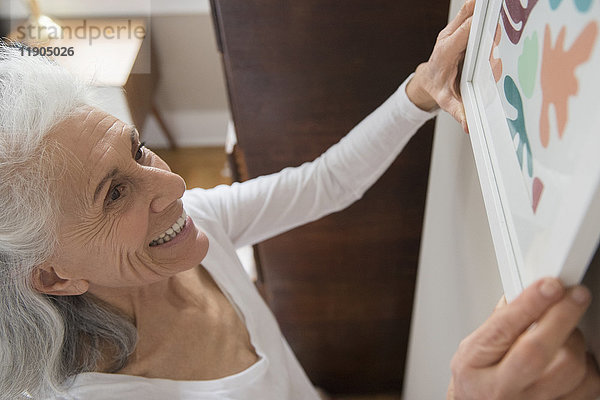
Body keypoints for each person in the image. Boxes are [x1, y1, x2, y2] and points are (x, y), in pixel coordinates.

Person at [0, 1, 597, 398]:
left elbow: (325, 181)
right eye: (115, 194)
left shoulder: (195, 226)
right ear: (53, 276)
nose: (175, 185)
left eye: (136, 149)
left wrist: (418, 91)